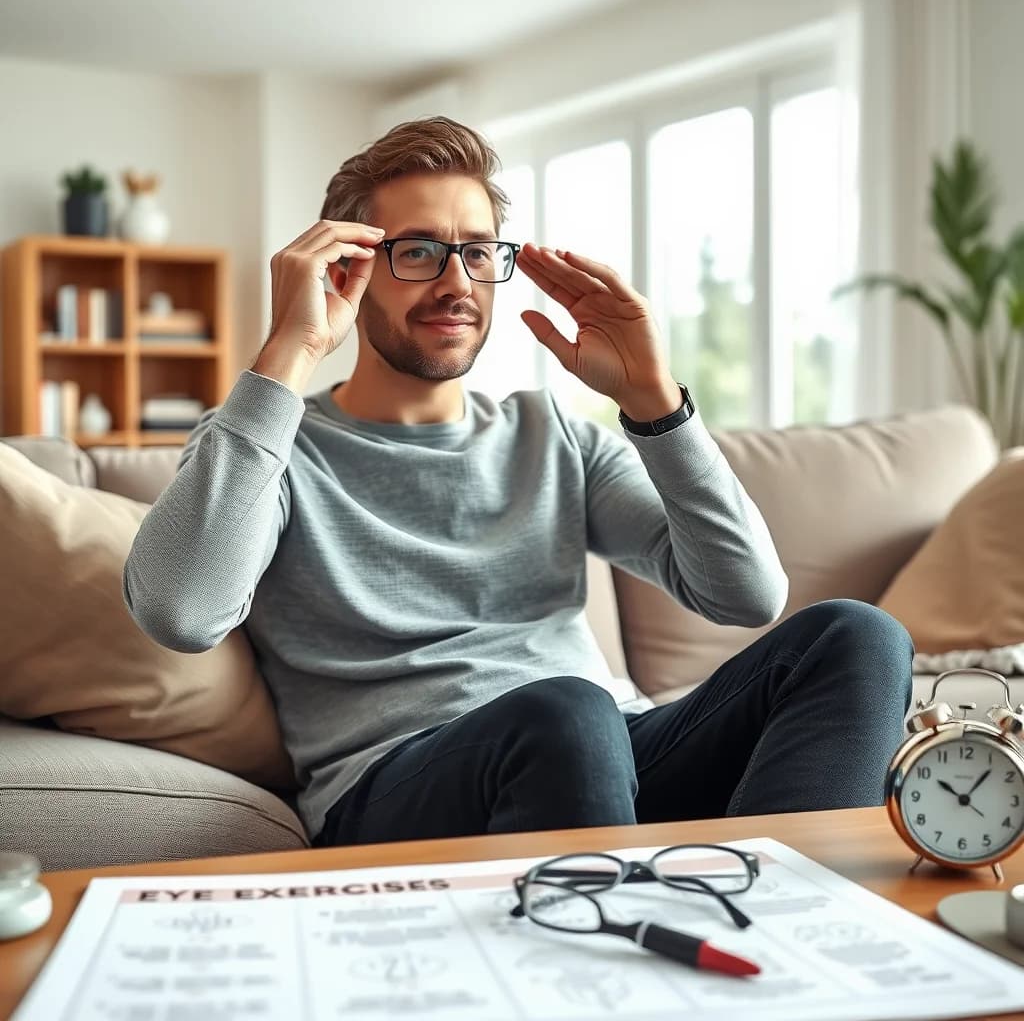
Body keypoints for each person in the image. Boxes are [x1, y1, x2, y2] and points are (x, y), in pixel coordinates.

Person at [123, 116, 913, 847]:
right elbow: (181, 610)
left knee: (857, 637)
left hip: (604, 757)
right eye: (420, 250)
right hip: (406, 789)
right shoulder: (273, 449)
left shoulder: (554, 435)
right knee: (566, 713)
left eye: (476, 251)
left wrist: (651, 400)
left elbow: (747, 596)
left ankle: (787, 937)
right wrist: (288, 353)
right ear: (350, 269)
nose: (457, 282)